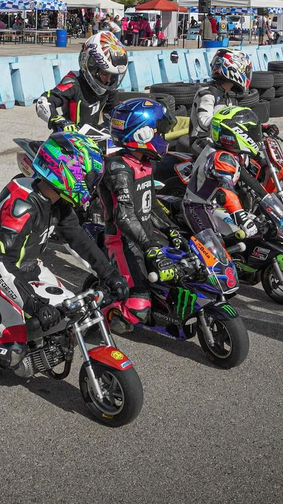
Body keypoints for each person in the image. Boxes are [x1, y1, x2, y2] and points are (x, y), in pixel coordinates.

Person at [0, 132, 120, 405]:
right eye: (86, 175)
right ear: (64, 171)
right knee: (9, 351)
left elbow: (78, 238)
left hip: (29, 269)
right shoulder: (22, 205)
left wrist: (109, 273)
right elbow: (0, 263)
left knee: (72, 313)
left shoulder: (57, 201)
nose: (90, 183)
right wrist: (34, 305)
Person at [97, 98, 185, 330]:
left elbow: (151, 204)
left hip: (145, 235)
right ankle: (104, 313)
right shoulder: (118, 168)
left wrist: (171, 229)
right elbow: (124, 216)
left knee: (182, 269)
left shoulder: (144, 162)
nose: (163, 137)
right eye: (159, 131)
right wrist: (150, 247)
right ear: (142, 134)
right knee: (139, 306)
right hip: (122, 240)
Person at [180, 106, 263, 249]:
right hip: (199, 207)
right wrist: (241, 216)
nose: (255, 135)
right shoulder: (222, 158)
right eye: (250, 132)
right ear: (235, 134)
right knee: (217, 250)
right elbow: (225, 191)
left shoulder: (231, 151)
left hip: (218, 207)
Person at [33, 31, 128, 132]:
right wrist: (58, 120)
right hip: (68, 138)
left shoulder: (108, 87)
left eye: (113, 76)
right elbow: (44, 101)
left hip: (92, 139)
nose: (108, 80)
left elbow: (114, 112)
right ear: (91, 65)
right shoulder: (73, 82)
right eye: (104, 74)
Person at [189, 46, 252, 153]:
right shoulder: (207, 92)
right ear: (234, 69)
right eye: (245, 70)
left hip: (219, 140)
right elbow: (204, 121)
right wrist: (228, 125)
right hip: (201, 141)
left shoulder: (226, 95)